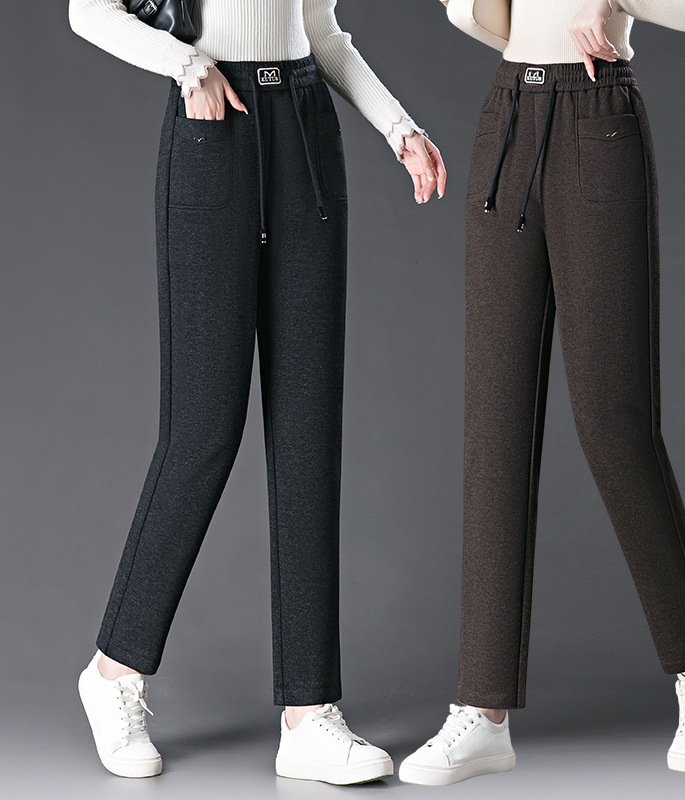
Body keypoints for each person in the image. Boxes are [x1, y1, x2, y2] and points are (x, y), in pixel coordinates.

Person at [67, 0, 446, 785]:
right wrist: (185, 64)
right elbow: (87, 12)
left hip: (305, 127)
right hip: (214, 130)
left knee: (309, 431)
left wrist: (398, 126)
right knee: (202, 429)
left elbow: (322, 34)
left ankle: (310, 713)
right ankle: (114, 672)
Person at [398, 0, 685, 785]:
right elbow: (478, 18)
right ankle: (482, 709)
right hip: (508, 113)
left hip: (598, 119)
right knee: (494, 424)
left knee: (613, 420)